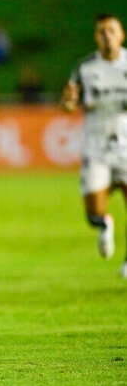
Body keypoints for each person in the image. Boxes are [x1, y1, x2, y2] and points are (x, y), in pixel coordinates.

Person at [60, 14, 127, 278]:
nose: (106, 36)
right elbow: (68, 104)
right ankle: (105, 224)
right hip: (96, 148)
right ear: (96, 37)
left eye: (111, 30)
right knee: (93, 212)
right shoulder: (85, 68)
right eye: (101, 31)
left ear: (121, 34)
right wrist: (67, 102)